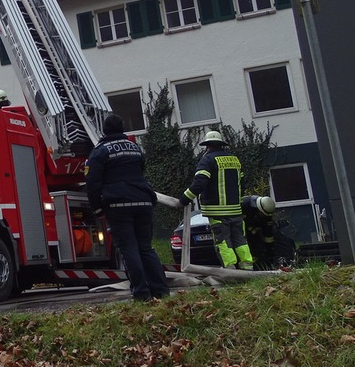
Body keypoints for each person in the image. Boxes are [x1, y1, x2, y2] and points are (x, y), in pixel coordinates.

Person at [85, 114, 171, 302]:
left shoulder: (100, 151)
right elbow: (140, 170)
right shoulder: (135, 148)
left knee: (129, 249)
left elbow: (92, 182)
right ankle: (161, 290)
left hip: (118, 204)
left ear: (105, 131)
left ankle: (141, 293)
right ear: (122, 129)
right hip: (144, 201)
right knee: (146, 248)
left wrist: (97, 208)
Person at [178, 130, 254, 270]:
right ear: (221, 145)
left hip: (217, 212)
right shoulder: (234, 160)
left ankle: (231, 271)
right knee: (240, 240)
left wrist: (183, 199)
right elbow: (242, 184)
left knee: (223, 242)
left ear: (207, 146)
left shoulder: (207, 160)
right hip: (236, 211)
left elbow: (199, 183)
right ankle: (248, 269)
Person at [241, 195, 279, 269]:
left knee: (258, 245)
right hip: (240, 228)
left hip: (252, 228)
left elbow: (268, 234)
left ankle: (256, 262)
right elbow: (238, 223)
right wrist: (250, 230)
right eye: (262, 213)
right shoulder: (245, 205)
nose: (263, 216)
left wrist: (270, 251)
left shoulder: (267, 213)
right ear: (258, 208)